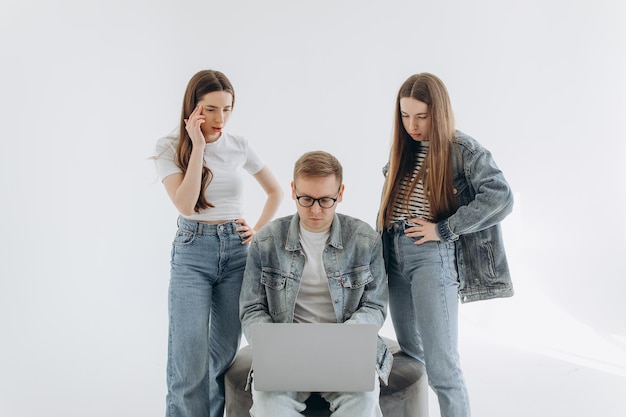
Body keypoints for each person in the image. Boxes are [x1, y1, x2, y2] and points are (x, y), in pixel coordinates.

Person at [377, 72, 514, 417]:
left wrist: (445, 229)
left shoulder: (461, 149)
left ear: (438, 112)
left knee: (443, 367)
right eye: (405, 115)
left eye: (421, 116)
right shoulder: (402, 151)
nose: (412, 124)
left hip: (431, 257)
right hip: (393, 253)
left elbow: (501, 197)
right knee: (411, 350)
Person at [153, 69, 283, 417]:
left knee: (223, 353)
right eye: (211, 109)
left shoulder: (239, 145)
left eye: (227, 109)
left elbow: (275, 191)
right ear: (193, 108)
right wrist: (197, 147)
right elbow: (184, 203)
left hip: (237, 254)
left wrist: (256, 229)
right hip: (193, 252)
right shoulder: (169, 146)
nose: (219, 119)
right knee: (188, 355)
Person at [239, 151, 392, 417]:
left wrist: (348, 337)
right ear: (293, 190)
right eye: (306, 199)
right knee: (268, 406)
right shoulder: (266, 241)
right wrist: (274, 344)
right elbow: (251, 309)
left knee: (363, 403)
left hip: (346, 351)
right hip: (285, 353)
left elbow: (375, 306)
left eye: (325, 200)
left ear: (340, 193)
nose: (316, 210)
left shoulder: (365, 239)